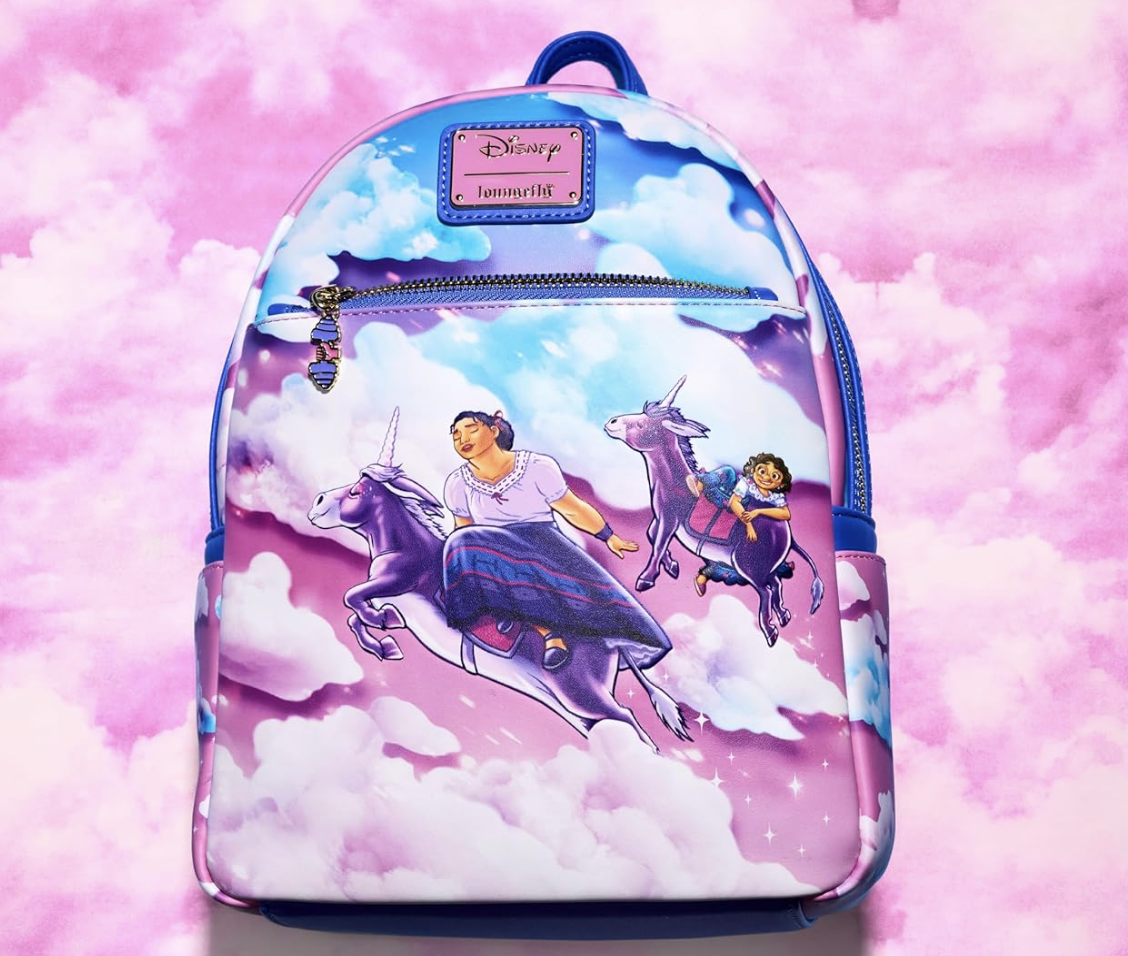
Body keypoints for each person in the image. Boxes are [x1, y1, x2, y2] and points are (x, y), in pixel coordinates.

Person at [442, 410, 671, 671]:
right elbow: (463, 530)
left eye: (471, 429)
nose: (462, 438)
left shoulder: (536, 466)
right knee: (461, 541)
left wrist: (608, 536)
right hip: (492, 552)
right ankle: (529, 625)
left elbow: (573, 509)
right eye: (455, 434)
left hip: (541, 544)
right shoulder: (457, 483)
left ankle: (541, 627)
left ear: (493, 431)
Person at [686, 452, 794, 597]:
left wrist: (759, 512)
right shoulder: (747, 484)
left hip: (745, 529)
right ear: (754, 470)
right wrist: (749, 525)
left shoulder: (774, 496)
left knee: (740, 567)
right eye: (762, 471)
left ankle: (706, 574)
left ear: (780, 483)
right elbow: (734, 502)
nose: (767, 477)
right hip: (729, 504)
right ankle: (701, 483)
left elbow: (785, 513)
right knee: (729, 472)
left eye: (774, 476)